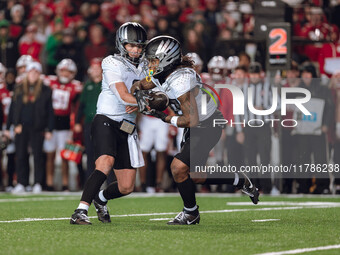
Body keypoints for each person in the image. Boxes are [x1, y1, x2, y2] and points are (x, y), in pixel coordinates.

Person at [131, 35, 259, 225]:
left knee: (178, 167)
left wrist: (164, 117)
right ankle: (239, 180)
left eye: (153, 60)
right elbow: (147, 81)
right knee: (196, 176)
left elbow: (191, 119)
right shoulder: (163, 72)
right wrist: (138, 87)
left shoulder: (181, 80)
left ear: (166, 59)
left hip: (206, 125)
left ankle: (190, 212)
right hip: (196, 125)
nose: (150, 65)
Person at [70, 22, 147, 225]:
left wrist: (141, 103)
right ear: (122, 44)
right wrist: (144, 102)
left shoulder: (147, 65)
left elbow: (152, 94)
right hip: (107, 119)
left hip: (127, 126)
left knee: (127, 187)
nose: (136, 50)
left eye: (139, 46)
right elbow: (123, 96)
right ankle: (80, 210)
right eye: (131, 45)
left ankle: (100, 198)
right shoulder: (111, 62)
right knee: (105, 162)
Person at [6, 61, 54, 194]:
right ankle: (22, 182)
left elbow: (50, 111)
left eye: (36, 72)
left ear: (39, 74)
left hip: (38, 127)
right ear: (27, 73)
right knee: (21, 155)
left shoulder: (45, 89)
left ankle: (38, 182)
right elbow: (13, 109)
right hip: (21, 127)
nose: (33, 74)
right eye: (31, 71)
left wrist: (49, 129)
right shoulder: (19, 88)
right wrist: (12, 125)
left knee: (38, 156)